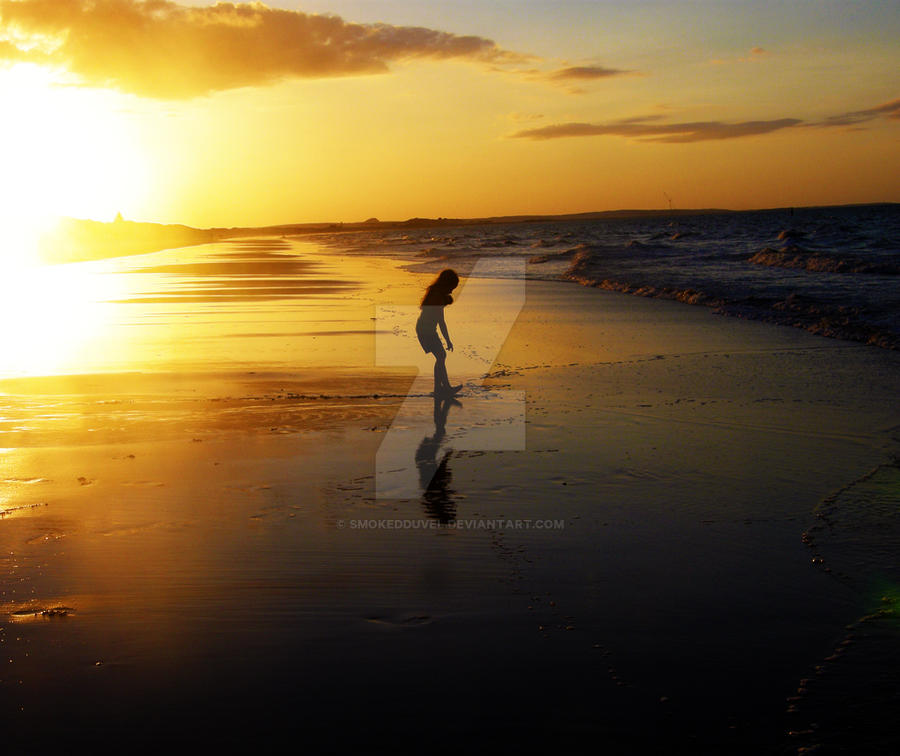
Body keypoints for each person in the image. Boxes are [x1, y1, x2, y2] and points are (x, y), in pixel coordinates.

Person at [416, 268, 461, 396]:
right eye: (452, 287)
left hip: (425, 328)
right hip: (426, 330)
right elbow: (441, 322)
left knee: (440, 356)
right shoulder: (437, 297)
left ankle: (441, 388)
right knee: (441, 356)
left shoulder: (434, 292)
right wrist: (448, 340)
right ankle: (443, 388)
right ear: (446, 284)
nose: (452, 291)